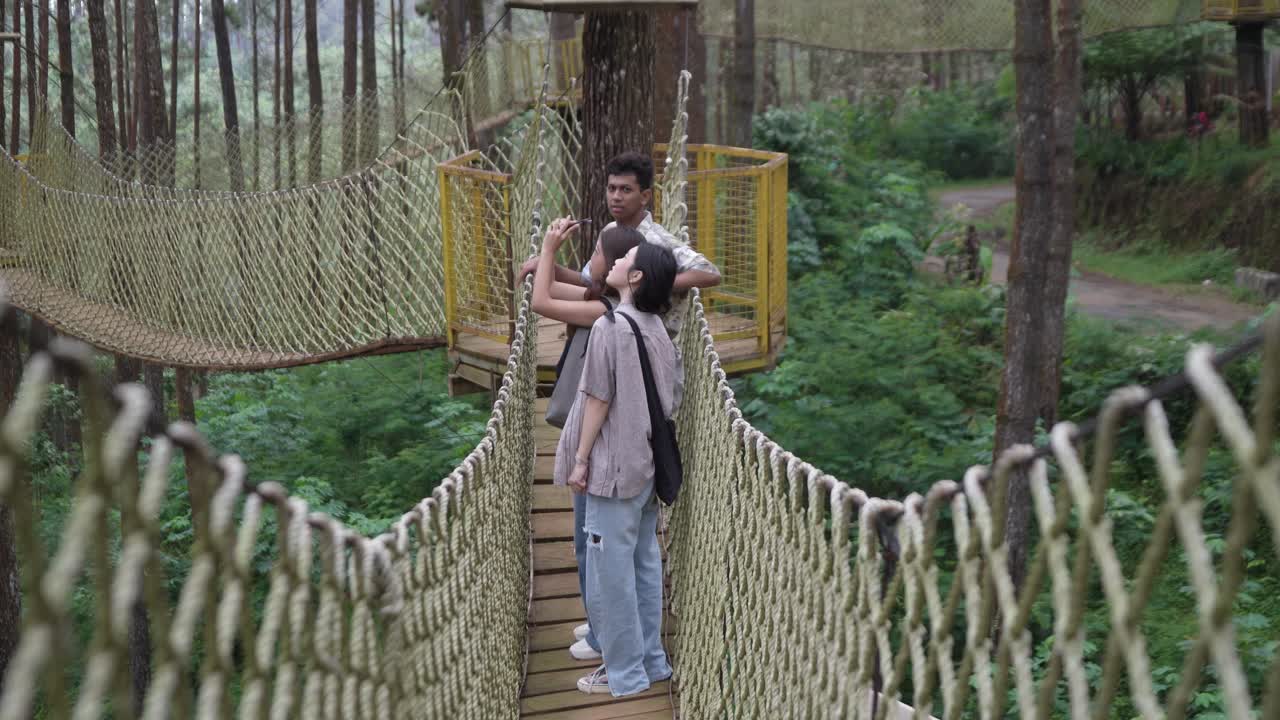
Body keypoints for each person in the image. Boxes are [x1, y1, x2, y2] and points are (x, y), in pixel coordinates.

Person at [551, 231, 679, 698]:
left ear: (636, 276)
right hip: (645, 466)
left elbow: (598, 399)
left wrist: (581, 460)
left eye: (626, 256)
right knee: (644, 562)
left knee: (612, 571)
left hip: (613, 470)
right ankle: (652, 661)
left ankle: (622, 673)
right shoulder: (656, 327)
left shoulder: (610, 326)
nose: (618, 258)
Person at [531, 219, 645, 664]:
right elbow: (551, 291)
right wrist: (547, 259)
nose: (590, 259)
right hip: (601, 440)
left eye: (596, 251)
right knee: (592, 540)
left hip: (597, 445)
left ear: (615, 263)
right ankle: (600, 622)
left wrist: (547, 248)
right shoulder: (600, 299)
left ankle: (603, 637)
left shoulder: (604, 312)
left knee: (590, 541)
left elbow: (541, 301)